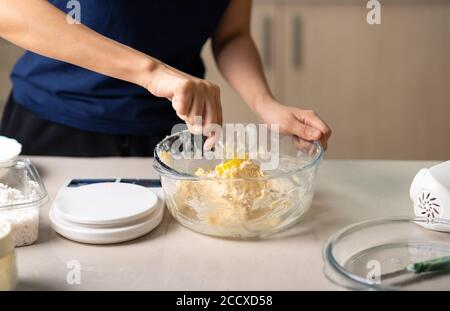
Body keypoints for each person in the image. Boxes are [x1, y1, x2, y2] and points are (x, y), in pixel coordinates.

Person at [0, 0, 331, 157]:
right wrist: (151, 73)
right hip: (53, 124)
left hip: (175, 131)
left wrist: (266, 104)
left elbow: (232, 34)